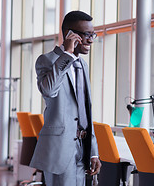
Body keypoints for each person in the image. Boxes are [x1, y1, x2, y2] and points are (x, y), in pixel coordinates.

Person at [30, 11, 101, 186]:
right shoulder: (46, 60)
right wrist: (67, 55)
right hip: (60, 149)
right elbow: (48, 90)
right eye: (86, 35)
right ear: (70, 35)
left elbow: (85, 110)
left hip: (83, 148)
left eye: (93, 34)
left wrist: (93, 152)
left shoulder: (83, 65)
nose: (91, 40)